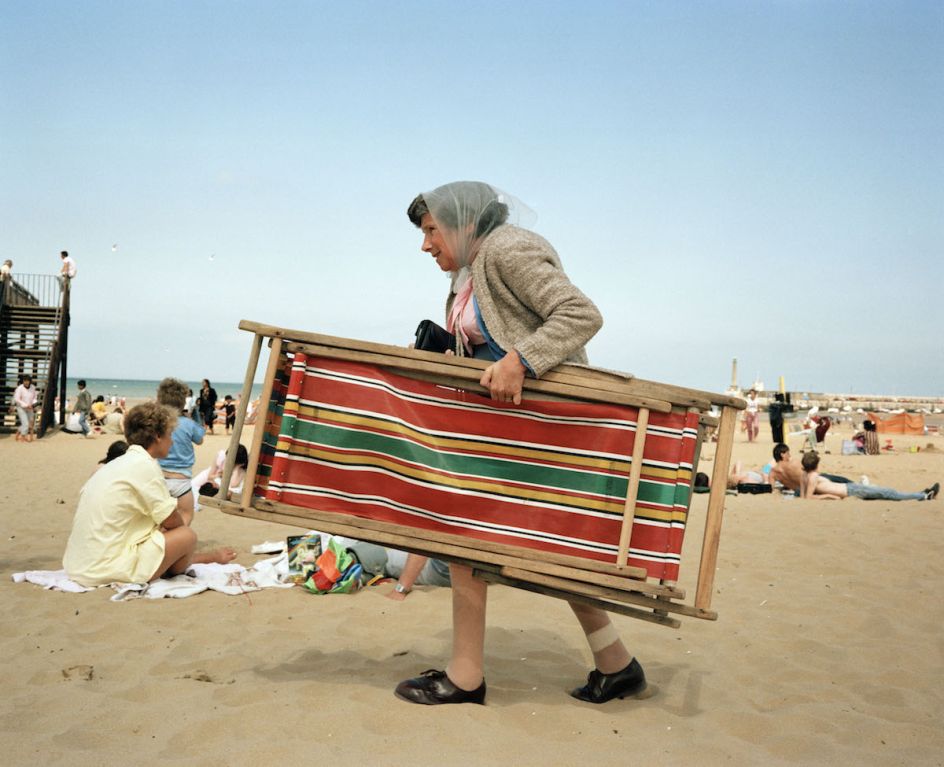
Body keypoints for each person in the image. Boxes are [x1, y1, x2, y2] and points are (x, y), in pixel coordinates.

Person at [394, 181, 645, 707]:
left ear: (463, 223)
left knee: (464, 534)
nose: (425, 244)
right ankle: (617, 665)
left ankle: (466, 677)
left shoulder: (507, 248)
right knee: (546, 545)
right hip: (511, 430)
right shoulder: (469, 271)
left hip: (543, 427)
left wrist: (521, 360)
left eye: (432, 230)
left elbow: (580, 314)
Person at [62, 402, 237, 588]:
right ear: (158, 436)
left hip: (79, 564)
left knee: (164, 533)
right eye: (169, 435)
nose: (172, 441)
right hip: (104, 567)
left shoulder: (116, 464)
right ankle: (198, 560)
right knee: (186, 535)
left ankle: (193, 559)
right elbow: (172, 521)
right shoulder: (145, 465)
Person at [156, 377, 205, 525]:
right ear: (183, 402)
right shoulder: (188, 424)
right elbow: (200, 440)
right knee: (186, 514)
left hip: (158, 476)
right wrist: (195, 417)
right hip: (181, 479)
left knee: (158, 518)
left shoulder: (157, 422)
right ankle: (176, 537)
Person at [800, 451, 938, 502]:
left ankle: (921, 494)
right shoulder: (813, 477)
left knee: (881, 491)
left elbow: (802, 496)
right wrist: (829, 496)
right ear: (816, 464)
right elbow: (808, 498)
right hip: (852, 490)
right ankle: (924, 495)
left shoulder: (804, 475)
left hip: (850, 488)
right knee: (889, 493)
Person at [768, 443, 852, 493]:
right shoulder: (793, 463)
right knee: (841, 480)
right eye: (788, 453)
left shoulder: (772, 473)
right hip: (814, 482)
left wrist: (785, 486)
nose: (789, 455)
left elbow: (771, 489)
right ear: (782, 454)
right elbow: (811, 471)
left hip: (801, 491)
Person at [13, 374, 37, 442]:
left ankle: (18, 433)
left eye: (27, 381)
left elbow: (35, 398)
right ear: (23, 381)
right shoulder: (19, 388)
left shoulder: (33, 387)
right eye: (24, 381)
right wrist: (26, 405)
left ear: (30, 381)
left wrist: (33, 404)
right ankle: (23, 437)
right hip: (21, 407)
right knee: (26, 424)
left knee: (30, 423)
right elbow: (17, 399)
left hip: (30, 407)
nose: (26, 382)